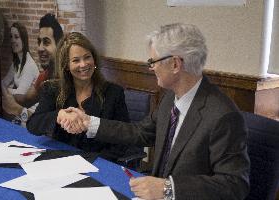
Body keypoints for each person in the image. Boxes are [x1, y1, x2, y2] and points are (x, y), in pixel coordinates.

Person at [60, 23, 250, 200]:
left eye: (153, 61)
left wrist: (169, 188)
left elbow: (235, 184)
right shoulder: (170, 97)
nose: (151, 67)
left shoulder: (223, 116)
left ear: (175, 64)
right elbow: (141, 132)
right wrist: (88, 122)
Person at [27, 32, 131, 162]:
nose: (83, 64)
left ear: (94, 59)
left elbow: (124, 137)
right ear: (66, 65)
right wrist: (59, 115)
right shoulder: (52, 89)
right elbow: (33, 125)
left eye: (87, 57)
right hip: (61, 159)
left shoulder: (113, 92)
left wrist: (94, 161)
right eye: (76, 60)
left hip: (99, 161)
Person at [2, 13, 63, 125]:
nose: (40, 48)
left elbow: (53, 125)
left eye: (46, 42)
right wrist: (9, 97)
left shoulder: (67, 78)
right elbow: (26, 99)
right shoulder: (45, 75)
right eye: (39, 42)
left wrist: (19, 110)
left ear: (60, 45)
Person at [2, 22, 39, 104]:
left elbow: (20, 94)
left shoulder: (29, 65)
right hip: (20, 106)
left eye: (16, 37)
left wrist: (7, 89)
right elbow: (3, 82)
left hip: (31, 110)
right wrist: (7, 88)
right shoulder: (17, 62)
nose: (12, 40)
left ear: (24, 40)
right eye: (11, 37)